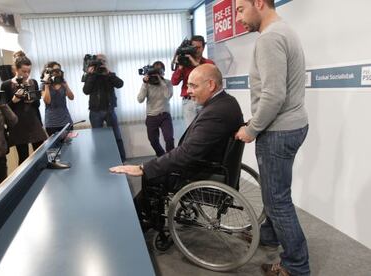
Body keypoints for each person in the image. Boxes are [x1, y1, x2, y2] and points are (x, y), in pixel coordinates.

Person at [110, 64, 243, 227]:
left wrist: (144, 168)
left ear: (211, 85)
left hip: (204, 172)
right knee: (157, 167)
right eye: (188, 86)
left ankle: (141, 222)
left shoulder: (215, 112)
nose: (188, 91)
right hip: (217, 167)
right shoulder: (228, 102)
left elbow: (187, 154)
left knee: (152, 176)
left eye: (193, 86)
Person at [234, 0, 310, 275]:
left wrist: (252, 128)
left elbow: (273, 94)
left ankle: (296, 266)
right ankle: (268, 235)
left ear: (258, 3)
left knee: (277, 201)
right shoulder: (284, 30)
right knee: (273, 192)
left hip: (278, 131)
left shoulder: (271, 38)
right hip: (291, 125)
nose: (239, 18)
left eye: (241, 9)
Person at [0, 55, 47, 165]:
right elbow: (4, 109)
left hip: (33, 122)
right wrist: (14, 100)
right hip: (17, 125)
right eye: (23, 71)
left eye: (29, 71)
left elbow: (37, 104)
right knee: (24, 158)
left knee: (41, 154)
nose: (26, 74)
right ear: (16, 69)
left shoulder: (33, 82)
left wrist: (32, 101)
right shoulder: (6, 85)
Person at [82, 54, 126, 161]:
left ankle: (121, 159)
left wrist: (109, 74)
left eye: (103, 61)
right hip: (95, 111)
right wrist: (91, 75)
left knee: (117, 136)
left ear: (106, 63)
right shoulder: (90, 75)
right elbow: (86, 91)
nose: (101, 63)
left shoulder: (109, 74)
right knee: (98, 137)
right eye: (99, 61)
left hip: (109, 110)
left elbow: (120, 84)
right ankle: (101, 160)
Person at [171, 35, 215, 127]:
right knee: (191, 132)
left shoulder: (209, 63)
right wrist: (180, 67)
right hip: (189, 102)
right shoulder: (184, 63)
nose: (196, 50)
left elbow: (213, 79)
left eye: (198, 47)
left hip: (205, 101)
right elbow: (174, 82)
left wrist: (196, 65)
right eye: (193, 47)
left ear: (203, 48)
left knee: (207, 129)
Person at [137, 61, 174, 157]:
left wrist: (161, 81)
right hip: (151, 116)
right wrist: (145, 84)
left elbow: (168, 96)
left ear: (163, 72)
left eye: (159, 72)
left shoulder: (168, 83)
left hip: (164, 115)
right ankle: (162, 157)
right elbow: (140, 99)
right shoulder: (147, 84)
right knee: (153, 141)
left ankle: (172, 159)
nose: (157, 74)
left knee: (169, 139)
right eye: (155, 72)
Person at [41, 61, 74, 136]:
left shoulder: (62, 83)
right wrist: (46, 85)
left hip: (66, 120)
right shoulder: (43, 85)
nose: (57, 72)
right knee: (55, 147)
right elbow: (47, 101)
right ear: (48, 71)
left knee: (69, 145)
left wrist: (66, 86)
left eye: (58, 70)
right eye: (54, 70)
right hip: (51, 123)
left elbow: (71, 97)